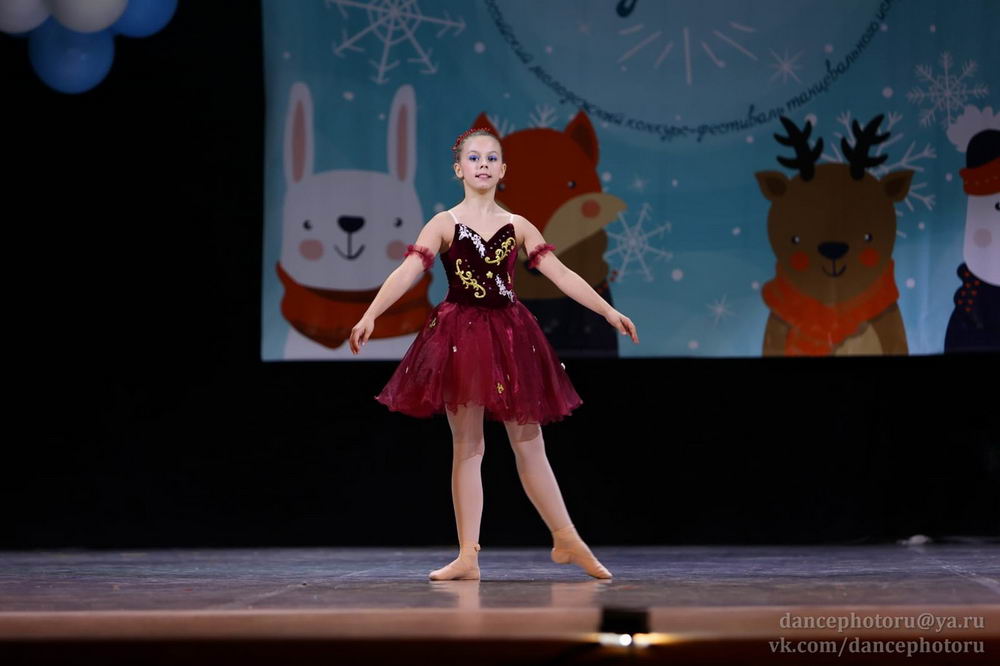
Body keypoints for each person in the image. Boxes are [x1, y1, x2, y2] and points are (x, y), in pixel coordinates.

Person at [349, 127, 639, 580]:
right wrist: (371, 314)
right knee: (467, 446)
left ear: (503, 170)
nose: (482, 164)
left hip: (510, 335)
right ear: (458, 169)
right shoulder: (444, 223)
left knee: (530, 443)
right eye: (473, 157)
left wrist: (607, 310)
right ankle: (468, 555)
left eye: (491, 158)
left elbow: (561, 273)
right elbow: (408, 270)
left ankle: (567, 539)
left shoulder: (518, 225)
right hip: (461, 337)